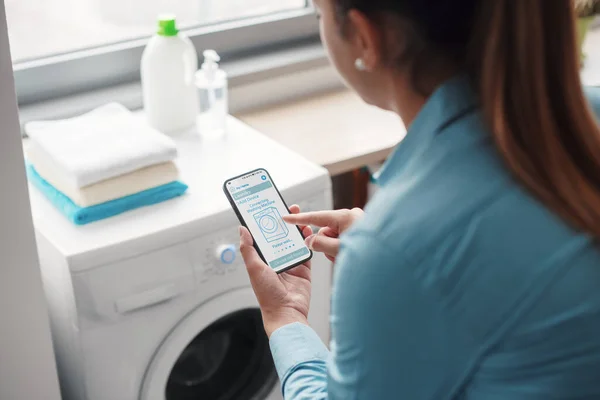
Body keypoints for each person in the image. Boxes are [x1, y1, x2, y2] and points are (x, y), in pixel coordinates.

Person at [238, 0, 600, 398]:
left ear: (364, 38)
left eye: (318, 14)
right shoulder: (584, 119)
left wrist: (285, 318)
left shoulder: (395, 250)